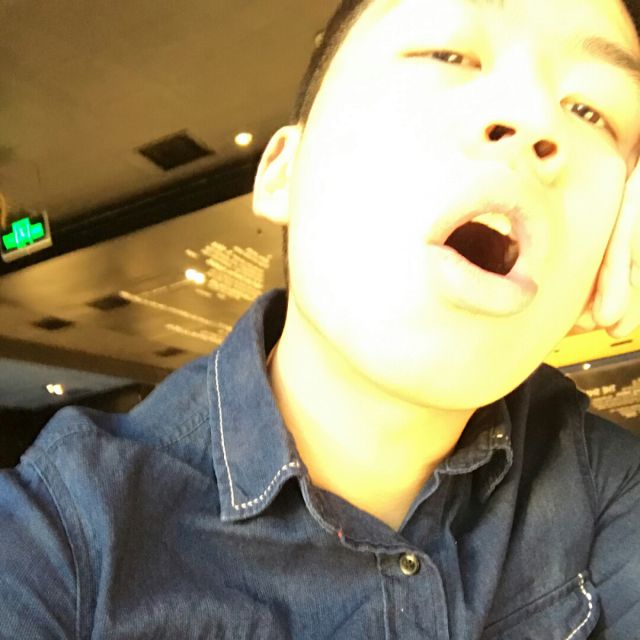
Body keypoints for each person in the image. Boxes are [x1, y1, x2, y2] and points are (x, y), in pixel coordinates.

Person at [2, 0, 640, 637]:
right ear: (283, 172)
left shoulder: (601, 484)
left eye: (592, 111)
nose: (533, 121)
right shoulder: (61, 539)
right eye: (448, 53)